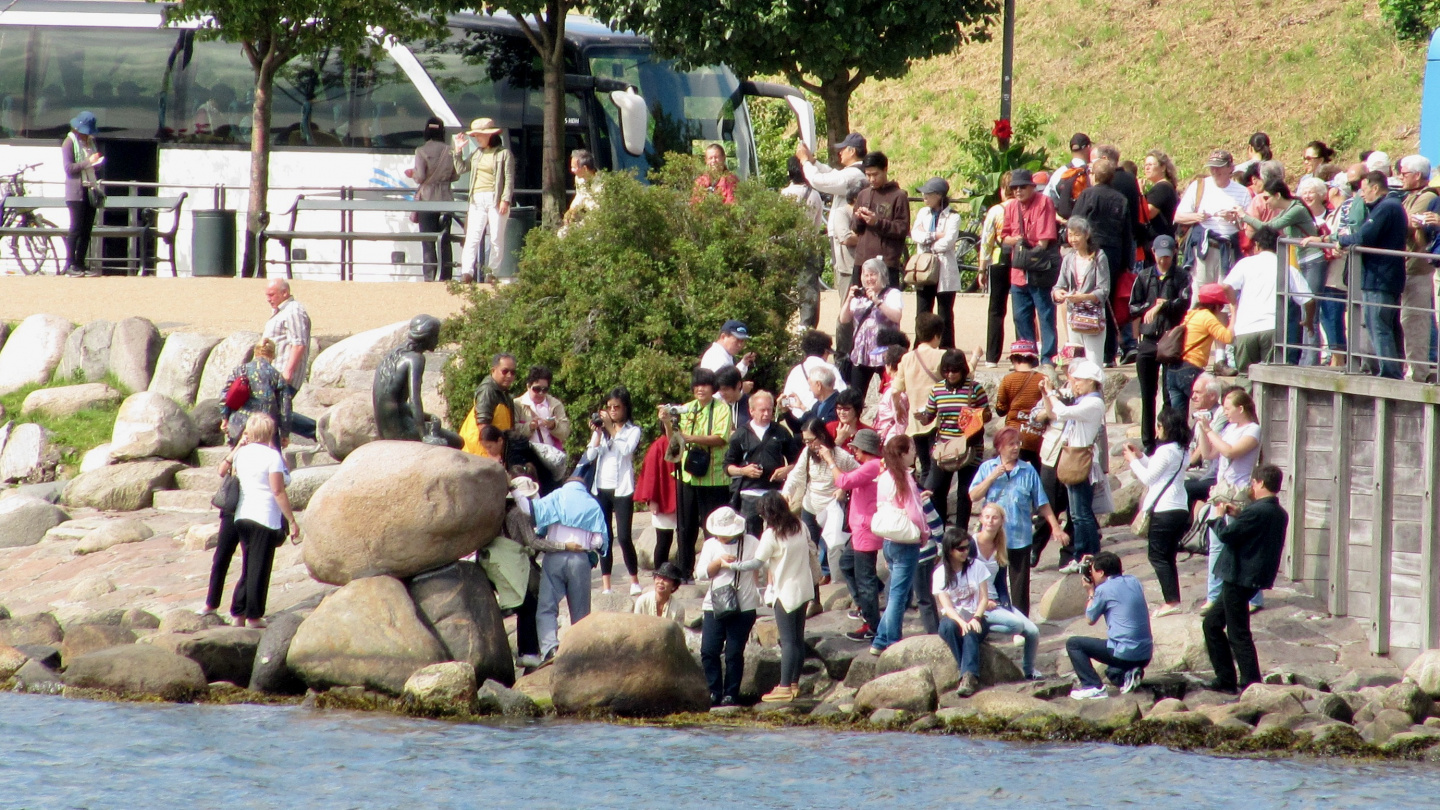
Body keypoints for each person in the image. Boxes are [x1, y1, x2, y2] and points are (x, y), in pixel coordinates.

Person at [1313, 170, 1408, 379]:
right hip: (1385, 276)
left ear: (1375, 187)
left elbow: (1364, 236)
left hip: (1379, 278)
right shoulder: (1390, 206)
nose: (1361, 195)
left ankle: (1390, 372)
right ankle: (1392, 368)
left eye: (1364, 190)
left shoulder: (1387, 208)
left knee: (1378, 324)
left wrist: (1341, 241)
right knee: (1387, 323)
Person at [1203, 464, 1288, 694]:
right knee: (1211, 624)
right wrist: (1238, 515)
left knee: (1237, 632)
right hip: (1250, 578)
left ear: (1260, 483)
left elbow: (1227, 535)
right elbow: (1253, 530)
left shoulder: (1257, 511)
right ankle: (1226, 678)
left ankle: (1250, 682)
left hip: (1239, 577)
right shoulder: (1277, 512)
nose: (1251, 486)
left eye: (1253, 483)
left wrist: (1218, 518)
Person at [968, 428, 1066, 618]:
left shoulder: (1028, 470)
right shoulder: (987, 467)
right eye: (1010, 444)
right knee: (994, 581)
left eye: (1017, 443)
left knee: (1020, 584)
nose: (1016, 448)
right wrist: (992, 477)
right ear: (999, 447)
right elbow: (973, 495)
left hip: (1019, 536)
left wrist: (1055, 527)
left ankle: (1021, 622)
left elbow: (1042, 502)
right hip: (993, 538)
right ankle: (994, 617)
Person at [733, 491, 818, 702]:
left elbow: (756, 563)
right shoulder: (800, 525)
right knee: (798, 639)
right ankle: (794, 683)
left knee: (788, 641)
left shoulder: (772, 534)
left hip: (786, 592)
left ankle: (784, 687)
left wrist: (730, 565)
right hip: (804, 588)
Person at [216, 414, 299, 628]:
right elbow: (278, 490)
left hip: (243, 515)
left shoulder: (241, 454)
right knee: (260, 567)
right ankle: (254, 615)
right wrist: (291, 519)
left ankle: (238, 612)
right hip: (264, 517)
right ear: (270, 433)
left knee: (248, 564)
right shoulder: (273, 457)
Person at [525, 474, 609, 663]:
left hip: (554, 557)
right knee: (580, 612)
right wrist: (588, 544)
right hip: (580, 560)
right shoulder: (592, 504)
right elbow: (599, 540)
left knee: (547, 607)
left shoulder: (554, 497)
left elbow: (539, 526)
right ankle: (581, 651)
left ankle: (550, 649)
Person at [659, 367, 733, 580]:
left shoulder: (721, 409)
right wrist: (666, 420)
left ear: (713, 388)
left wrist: (690, 438)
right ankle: (684, 571)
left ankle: (716, 568)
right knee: (685, 526)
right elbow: (674, 436)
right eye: (697, 385)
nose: (701, 389)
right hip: (687, 474)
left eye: (706, 385)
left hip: (714, 476)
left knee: (713, 526)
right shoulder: (686, 408)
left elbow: (721, 437)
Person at [1196, 387, 1265, 613]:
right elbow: (1209, 454)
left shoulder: (1253, 430)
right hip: (1221, 492)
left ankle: (1253, 597)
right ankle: (1214, 596)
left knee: (1239, 544)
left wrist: (1210, 431)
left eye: (1228, 408)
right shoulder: (1229, 428)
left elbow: (1230, 452)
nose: (1224, 412)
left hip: (1239, 495)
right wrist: (1203, 430)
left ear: (1241, 408)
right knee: (1216, 543)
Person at [1123, 409, 1192, 618]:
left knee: (1157, 556)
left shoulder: (1166, 451)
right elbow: (1159, 470)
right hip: (1180, 507)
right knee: (1168, 557)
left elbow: (1148, 478)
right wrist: (1141, 456)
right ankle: (1173, 599)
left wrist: (1131, 461)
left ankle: (1171, 601)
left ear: (1167, 427)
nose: (1157, 429)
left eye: (1160, 425)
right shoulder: (1182, 450)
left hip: (1165, 509)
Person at [1039, 359, 1106, 567]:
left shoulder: (1094, 403)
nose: (1075, 384)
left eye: (1079, 381)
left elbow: (1063, 413)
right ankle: (1082, 554)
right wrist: (1047, 393)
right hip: (1074, 457)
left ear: (1091, 382)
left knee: (1082, 514)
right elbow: (1055, 412)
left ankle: (1088, 554)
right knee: (1077, 514)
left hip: (1080, 460)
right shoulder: (1083, 400)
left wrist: (1050, 392)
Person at [914, 349, 990, 531]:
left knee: (965, 493)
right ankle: (941, 531)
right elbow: (930, 415)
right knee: (937, 490)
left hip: (970, 448)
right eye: (946, 370)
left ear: (962, 369)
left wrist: (974, 415)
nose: (950, 374)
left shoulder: (975, 388)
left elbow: (987, 414)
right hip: (945, 447)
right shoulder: (938, 389)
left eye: (954, 370)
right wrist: (922, 417)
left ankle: (961, 532)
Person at [1129, 235, 1191, 450]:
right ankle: (1148, 441)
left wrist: (1164, 306)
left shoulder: (1182, 277)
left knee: (1169, 394)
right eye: (1160, 256)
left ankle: (1167, 437)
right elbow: (1132, 307)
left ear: (1174, 253)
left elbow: (1184, 303)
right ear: (1153, 253)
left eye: (1168, 256)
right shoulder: (1144, 276)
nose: (1164, 260)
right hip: (1148, 339)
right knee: (1147, 394)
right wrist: (1151, 305)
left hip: (1170, 339)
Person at [1222, 227, 1313, 372]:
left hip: (1245, 329)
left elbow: (1226, 286)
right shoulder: (1287, 268)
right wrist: (1309, 320)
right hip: (1273, 328)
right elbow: (1309, 300)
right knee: (1271, 378)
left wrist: (1234, 304)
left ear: (1257, 245)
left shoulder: (1245, 264)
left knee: (1246, 377)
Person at [781, 418, 858, 588]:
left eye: (810, 440)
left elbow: (858, 475)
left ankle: (840, 585)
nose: (808, 444)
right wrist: (787, 493)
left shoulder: (840, 455)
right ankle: (813, 587)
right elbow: (795, 475)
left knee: (834, 547)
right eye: (805, 441)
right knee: (809, 547)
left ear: (821, 436)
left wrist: (843, 489)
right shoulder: (807, 454)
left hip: (833, 507)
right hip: (810, 505)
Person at [825, 428, 885, 642]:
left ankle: (872, 624)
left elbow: (843, 481)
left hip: (865, 530)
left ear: (864, 449)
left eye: (856, 449)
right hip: (860, 530)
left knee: (864, 578)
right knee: (846, 564)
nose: (854, 453)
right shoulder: (871, 466)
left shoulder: (872, 466)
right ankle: (869, 600)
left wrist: (830, 461)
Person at [1066, 551, 1153, 698]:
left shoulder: (1103, 590)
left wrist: (1090, 591)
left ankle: (1092, 686)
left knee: (1074, 644)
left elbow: (1090, 619)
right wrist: (1096, 561)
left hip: (1124, 652)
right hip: (1145, 654)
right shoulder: (1134, 581)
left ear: (1100, 573)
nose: (1090, 575)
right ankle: (1130, 673)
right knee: (1112, 673)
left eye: (1092, 571)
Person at [696, 506, 760, 706]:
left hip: (744, 605)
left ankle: (731, 693)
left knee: (733, 652)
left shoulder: (751, 543)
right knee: (708, 650)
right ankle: (714, 691)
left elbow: (761, 565)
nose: (723, 537)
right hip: (714, 604)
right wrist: (719, 562)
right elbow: (701, 574)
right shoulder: (710, 545)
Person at [869, 434, 927, 655]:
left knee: (894, 592)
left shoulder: (884, 477)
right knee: (898, 595)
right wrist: (924, 533)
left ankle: (880, 639)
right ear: (903, 453)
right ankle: (892, 639)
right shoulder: (904, 477)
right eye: (911, 449)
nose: (915, 453)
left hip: (889, 540)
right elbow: (914, 511)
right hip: (905, 541)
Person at [971, 503, 1042, 679]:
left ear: (1002, 521)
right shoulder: (971, 544)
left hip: (995, 600)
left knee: (1032, 631)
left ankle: (1029, 670)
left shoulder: (1000, 546)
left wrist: (1006, 604)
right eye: (987, 517)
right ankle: (983, 626)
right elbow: (964, 576)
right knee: (1016, 625)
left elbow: (1001, 581)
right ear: (980, 518)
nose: (990, 521)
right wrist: (983, 602)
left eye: (994, 517)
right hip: (977, 601)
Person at [583, 386, 643, 596]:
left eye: (617, 407)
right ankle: (606, 584)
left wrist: (611, 429)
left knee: (624, 537)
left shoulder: (632, 431)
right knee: (604, 536)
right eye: (609, 407)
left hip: (622, 488)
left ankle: (634, 580)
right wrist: (597, 433)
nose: (613, 411)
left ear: (625, 408)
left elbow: (626, 450)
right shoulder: (604, 431)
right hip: (601, 487)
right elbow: (590, 454)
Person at [373, 315, 461, 449]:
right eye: (436, 335)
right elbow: (414, 399)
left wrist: (428, 417)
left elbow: (394, 403)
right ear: (427, 337)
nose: (438, 340)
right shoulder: (415, 359)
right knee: (457, 441)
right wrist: (424, 434)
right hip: (399, 430)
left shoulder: (393, 355)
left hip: (384, 429)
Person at [1174, 149, 1252, 300]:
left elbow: (1248, 225)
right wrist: (1198, 217)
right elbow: (1178, 216)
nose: (1215, 171)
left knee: (1226, 296)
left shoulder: (1242, 192)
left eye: (1220, 167)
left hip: (1229, 249)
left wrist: (1235, 219)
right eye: (1212, 167)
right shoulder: (1200, 186)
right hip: (1205, 248)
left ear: (1230, 168)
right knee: (1200, 294)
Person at [1003, 169, 1061, 364]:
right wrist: (1017, 240)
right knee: (1020, 316)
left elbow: (1044, 241)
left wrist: (1025, 248)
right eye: (1014, 188)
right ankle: (1028, 356)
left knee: (1045, 314)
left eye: (1022, 187)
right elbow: (1004, 236)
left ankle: (1048, 357)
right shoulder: (1011, 207)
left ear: (1032, 187)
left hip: (1039, 269)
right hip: (1018, 272)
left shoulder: (1044, 202)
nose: (1018, 190)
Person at [797, 134, 867, 292]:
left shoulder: (853, 175)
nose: (840, 153)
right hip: (844, 234)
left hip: (846, 236)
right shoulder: (853, 172)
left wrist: (805, 162)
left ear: (852, 150)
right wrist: (813, 161)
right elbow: (831, 174)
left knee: (846, 280)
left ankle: (847, 315)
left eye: (842, 149)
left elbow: (820, 181)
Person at [723, 390, 797, 535]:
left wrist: (786, 470)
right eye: (762, 410)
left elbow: (797, 460)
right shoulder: (740, 434)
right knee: (751, 534)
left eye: (770, 409)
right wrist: (744, 471)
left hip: (776, 491)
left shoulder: (781, 432)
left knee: (777, 534)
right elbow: (727, 466)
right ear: (751, 411)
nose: (767, 414)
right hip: (750, 492)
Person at [933, 529, 992, 697]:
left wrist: (976, 617)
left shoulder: (976, 566)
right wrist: (962, 622)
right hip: (952, 618)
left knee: (971, 632)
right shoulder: (940, 574)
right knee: (951, 628)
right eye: (961, 549)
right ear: (950, 550)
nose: (965, 551)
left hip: (975, 615)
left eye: (967, 547)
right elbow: (947, 607)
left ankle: (968, 676)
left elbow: (983, 599)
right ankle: (966, 671)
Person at [453, 117, 514, 280]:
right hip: (477, 200)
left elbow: (509, 178)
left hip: (495, 198)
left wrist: (505, 199)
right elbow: (460, 169)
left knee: (496, 237)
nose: (477, 138)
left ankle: (491, 272)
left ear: (489, 135)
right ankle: (467, 272)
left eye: (479, 135)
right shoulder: (477, 153)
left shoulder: (503, 153)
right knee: (472, 236)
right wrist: (457, 151)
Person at [1398, 155, 1438, 382]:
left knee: (1415, 321)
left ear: (1417, 175)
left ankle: (1418, 370)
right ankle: (1412, 367)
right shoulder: (1409, 197)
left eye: (1404, 173)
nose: (1401, 177)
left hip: (1419, 269)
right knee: (1408, 320)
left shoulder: (1427, 197)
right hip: (1409, 268)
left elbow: (1405, 222)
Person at [839, 257, 904, 395]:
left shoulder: (892, 294)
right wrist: (849, 298)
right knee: (856, 395)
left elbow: (896, 316)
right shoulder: (859, 296)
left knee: (890, 392)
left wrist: (877, 300)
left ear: (881, 275)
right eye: (866, 275)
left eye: (873, 274)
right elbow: (844, 319)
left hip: (885, 353)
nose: (869, 279)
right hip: (862, 353)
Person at [261, 279, 315, 441]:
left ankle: (316, 431)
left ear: (284, 293)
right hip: (273, 373)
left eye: (271, 295)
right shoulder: (281, 311)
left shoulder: (294, 311)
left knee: (271, 411)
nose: (268, 299)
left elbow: (299, 344)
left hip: (284, 374)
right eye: (267, 295)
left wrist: (288, 372)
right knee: (271, 412)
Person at [895, 313, 947, 480]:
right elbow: (967, 374)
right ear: (937, 335)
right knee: (936, 464)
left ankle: (923, 499)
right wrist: (975, 357)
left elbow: (895, 390)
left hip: (915, 419)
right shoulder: (942, 355)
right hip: (937, 418)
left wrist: (898, 409)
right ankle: (931, 502)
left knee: (924, 465)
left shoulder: (907, 358)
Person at [1053, 216, 1111, 364]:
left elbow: (1103, 290)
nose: (1073, 239)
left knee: (1093, 360)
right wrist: (1058, 293)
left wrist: (1084, 297)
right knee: (1076, 360)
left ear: (1086, 235)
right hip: (1073, 313)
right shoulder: (1069, 258)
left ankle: (1096, 387)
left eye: (1077, 234)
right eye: (1070, 235)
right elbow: (1059, 285)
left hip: (1093, 314)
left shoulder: (1099, 256)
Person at [1165, 284, 1232, 413]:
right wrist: (1233, 315)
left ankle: (1176, 434)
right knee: (1207, 410)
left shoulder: (1191, 314)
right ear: (1216, 306)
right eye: (1221, 306)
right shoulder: (1207, 317)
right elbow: (1227, 337)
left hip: (1173, 369)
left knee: (1177, 419)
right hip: (1190, 369)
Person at [911, 176, 961, 347]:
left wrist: (929, 244)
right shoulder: (922, 213)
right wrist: (932, 236)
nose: (924, 196)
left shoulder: (953, 216)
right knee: (922, 309)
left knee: (945, 311)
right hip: (925, 266)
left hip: (944, 267)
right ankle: (920, 344)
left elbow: (949, 241)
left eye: (928, 194)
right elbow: (915, 234)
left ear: (939, 195)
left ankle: (946, 346)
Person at [406, 117, 457, 281]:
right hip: (446, 200)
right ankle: (446, 276)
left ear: (426, 131)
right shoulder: (450, 150)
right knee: (445, 239)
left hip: (427, 200)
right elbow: (455, 176)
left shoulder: (421, 151)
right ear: (442, 131)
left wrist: (413, 173)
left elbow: (420, 177)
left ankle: (429, 275)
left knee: (428, 240)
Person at [219, 338, 292, 448]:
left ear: (255, 352)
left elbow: (225, 395)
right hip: (266, 429)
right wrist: (285, 434)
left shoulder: (240, 370)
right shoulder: (276, 376)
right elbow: (285, 407)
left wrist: (225, 418)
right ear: (273, 355)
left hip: (240, 426)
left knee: (238, 458)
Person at [852, 152, 910, 282]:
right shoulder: (863, 195)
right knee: (858, 300)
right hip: (862, 260)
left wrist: (877, 222)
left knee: (885, 300)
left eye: (875, 174)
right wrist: (859, 219)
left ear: (885, 170)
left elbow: (902, 228)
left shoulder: (898, 196)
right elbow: (855, 228)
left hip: (886, 262)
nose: (872, 179)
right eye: (868, 175)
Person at [61, 110, 104, 278]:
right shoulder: (69, 143)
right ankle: (69, 264)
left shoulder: (91, 142)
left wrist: (96, 163)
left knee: (87, 230)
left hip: (90, 188)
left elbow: (91, 166)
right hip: (76, 192)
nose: (87, 135)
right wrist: (88, 162)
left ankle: (80, 263)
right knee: (76, 228)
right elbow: (69, 168)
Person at [634, 429, 679, 579]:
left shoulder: (684, 442)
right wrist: (651, 499)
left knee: (683, 539)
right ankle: (660, 574)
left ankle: (681, 573)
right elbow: (650, 475)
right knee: (663, 540)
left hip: (680, 496)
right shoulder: (658, 446)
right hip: (663, 498)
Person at [978, 172, 1014, 364]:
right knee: (1021, 308)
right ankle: (1024, 350)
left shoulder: (996, 211)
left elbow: (986, 242)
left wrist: (982, 269)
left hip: (999, 261)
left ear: (1002, 190)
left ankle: (992, 356)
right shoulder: (1023, 208)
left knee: (996, 310)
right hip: (1019, 261)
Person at [780, 330, 847, 422]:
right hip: (824, 422)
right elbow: (844, 396)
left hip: (799, 423)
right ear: (825, 351)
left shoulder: (795, 371)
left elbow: (785, 400)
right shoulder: (829, 370)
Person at [515, 364, 571, 458]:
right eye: (537, 389)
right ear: (528, 386)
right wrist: (529, 426)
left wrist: (553, 426)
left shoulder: (555, 405)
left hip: (551, 457)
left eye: (544, 389)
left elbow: (565, 432)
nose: (541, 393)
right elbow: (512, 432)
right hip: (526, 456)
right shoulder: (517, 404)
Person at [784, 365, 840, 432]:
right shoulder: (817, 405)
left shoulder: (838, 403)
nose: (809, 389)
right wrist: (786, 410)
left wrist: (804, 409)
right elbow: (798, 427)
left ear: (818, 385)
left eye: (810, 384)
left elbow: (821, 427)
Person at [873, 346, 909, 445]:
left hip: (894, 441)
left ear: (889, 366)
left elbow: (901, 421)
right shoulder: (906, 387)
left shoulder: (895, 391)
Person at [1143, 149, 1180, 241]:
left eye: (1150, 165)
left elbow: (1148, 213)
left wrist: (1139, 192)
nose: (1147, 168)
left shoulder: (1162, 188)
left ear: (1163, 167)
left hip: (1159, 242)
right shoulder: (1166, 187)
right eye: (1145, 165)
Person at [781, 155, 825, 230]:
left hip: (789, 239)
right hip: (809, 239)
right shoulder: (815, 194)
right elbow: (817, 224)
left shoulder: (785, 194)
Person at [562, 149, 601, 233]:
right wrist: (570, 212)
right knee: (563, 233)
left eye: (574, 167)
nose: (571, 170)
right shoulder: (579, 179)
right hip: (585, 219)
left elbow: (598, 209)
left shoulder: (601, 183)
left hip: (599, 222)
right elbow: (579, 197)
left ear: (584, 168)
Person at [826, 387, 871, 454]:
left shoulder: (868, 432)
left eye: (846, 409)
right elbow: (825, 457)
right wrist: (839, 440)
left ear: (857, 409)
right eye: (839, 408)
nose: (841, 412)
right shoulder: (829, 428)